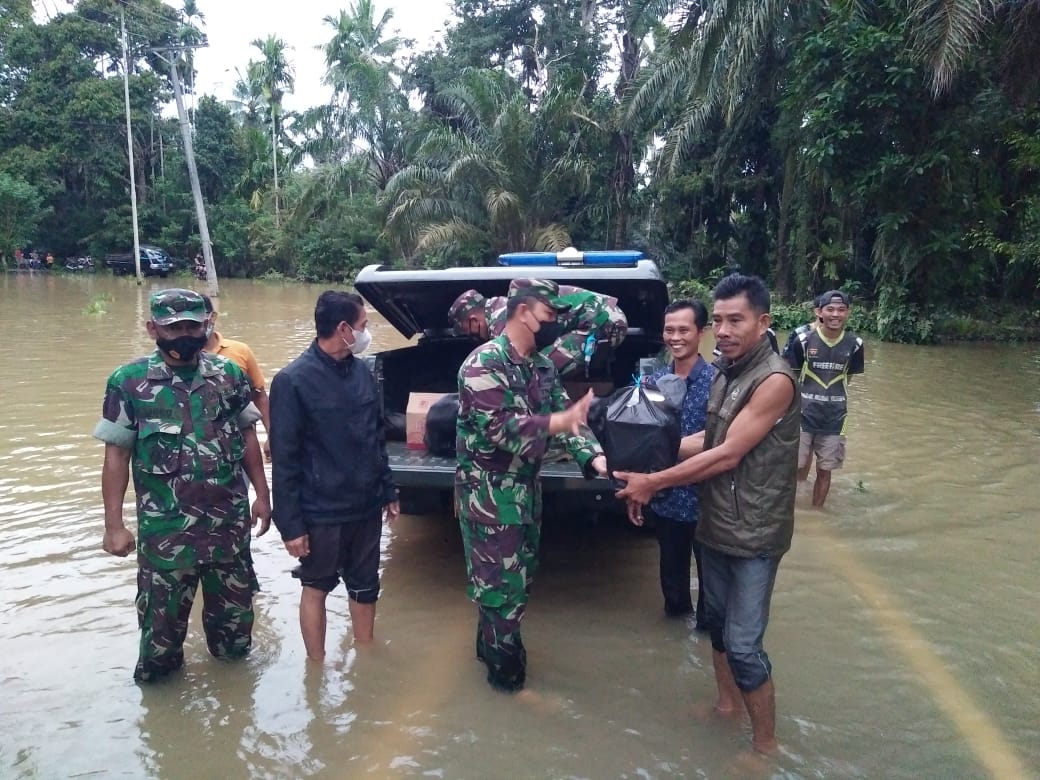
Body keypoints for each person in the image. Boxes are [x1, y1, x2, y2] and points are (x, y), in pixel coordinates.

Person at [615, 274, 799, 754]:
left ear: (763, 322)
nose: (726, 329)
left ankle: (765, 747)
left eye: (735, 319)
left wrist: (653, 481)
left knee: (743, 645)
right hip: (713, 521)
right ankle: (726, 707)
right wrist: (642, 457)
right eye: (718, 320)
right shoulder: (728, 374)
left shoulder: (774, 379)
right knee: (716, 627)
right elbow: (704, 441)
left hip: (754, 533)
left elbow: (727, 455)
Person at [94, 288, 271, 682]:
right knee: (160, 650)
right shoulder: (129, 382)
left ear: (207, 324)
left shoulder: (229, 375)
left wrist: (263, 494)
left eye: (193, 324)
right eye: (174, 328)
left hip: (228, 531)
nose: (185, 334)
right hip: (167, 538)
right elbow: (117, 456)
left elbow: (246, 438)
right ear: (152, 328)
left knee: (236, 644)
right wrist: (113, 525)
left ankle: (234, 719)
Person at [456, 278, 607, 692]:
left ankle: (488, 656)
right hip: (489, 501)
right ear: (523, 311)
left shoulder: (540, 367)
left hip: (525, 496)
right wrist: (556, 422)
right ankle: (508, 685)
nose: (555, 321)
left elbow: (568, 417)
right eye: (549, 312)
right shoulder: (482, 363)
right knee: (502, 593)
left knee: (509, 587)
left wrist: (595, 458)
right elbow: (501, 430)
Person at [270, 290, 399, 661]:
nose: (365, 332)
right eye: (362, 325)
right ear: (343, 329)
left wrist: (388, 490)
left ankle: (367, 657)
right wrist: (290, 526)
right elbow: (285, 459)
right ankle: (316, 669)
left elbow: (376, 438)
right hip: (321, 510)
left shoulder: (363, 373)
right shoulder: (293, 381)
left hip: (365, 506)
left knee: (366, 586)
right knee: (316, 586)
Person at [641, 300, 716, 625]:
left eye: (684, 329)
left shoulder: (720, 383)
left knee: (714, 596)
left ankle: (707, 650)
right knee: (672, 590)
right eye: (669, 329)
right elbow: (639, 438)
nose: (675, 337)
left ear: (702, 332)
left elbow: (722, 443)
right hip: (666, 500)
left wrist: (664, 449)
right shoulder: (651, 382)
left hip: (710, 502)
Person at [785, 289, 865, 508]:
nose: (835, 314)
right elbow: (790, 376)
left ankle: (817, 513)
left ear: (848, 313)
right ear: (818, 311)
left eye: (841, 309)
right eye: (830, 309)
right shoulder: (802, 340)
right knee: (794, 467)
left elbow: (847, 379)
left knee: (825, 470)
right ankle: (789, 511)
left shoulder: (855, 344)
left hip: (835, 418)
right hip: (802, 415)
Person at [448, 282, 627, 377]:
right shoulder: (501, 306)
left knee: (538, 372)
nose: (468, 335)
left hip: (603, 321)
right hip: (599, 318)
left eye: (464, 329)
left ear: (473, 320)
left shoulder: (500, 319)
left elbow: (513, 364)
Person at [201, 295, 273, 461]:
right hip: (198, 448)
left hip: (240, 445)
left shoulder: (240, 351)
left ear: (212, 316)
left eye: (200, 317)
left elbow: (260, 396)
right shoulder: (180, 359)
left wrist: (271, 435)